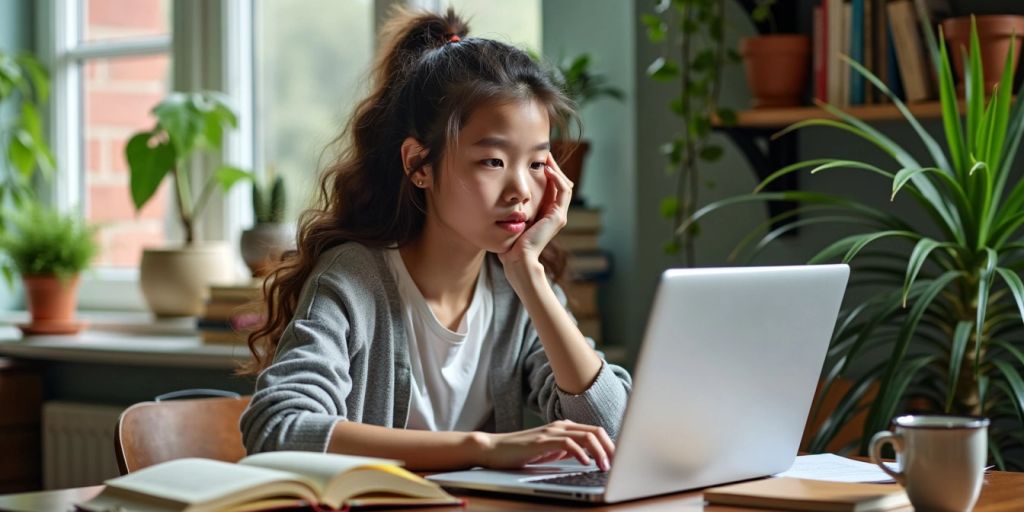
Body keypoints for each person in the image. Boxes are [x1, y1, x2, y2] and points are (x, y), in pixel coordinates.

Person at [239, 7, 631, 472]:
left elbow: (614, 428)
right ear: (418, 164)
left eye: (536, 164)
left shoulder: (514, 289)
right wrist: (481, 448)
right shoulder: (354, 279)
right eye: (492, 161)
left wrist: (531, 277)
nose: (521, 191)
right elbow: (277, 426)